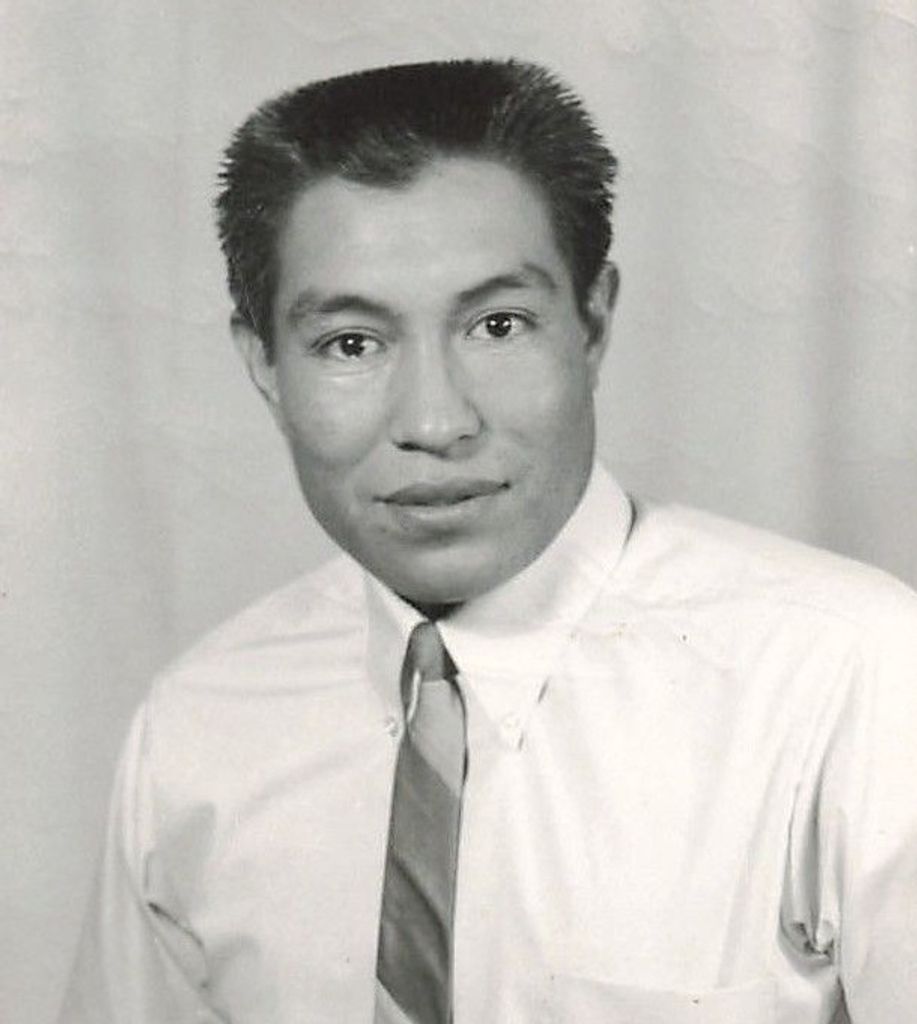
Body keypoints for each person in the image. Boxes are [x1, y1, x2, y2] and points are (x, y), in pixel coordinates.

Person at [59, 59, 917, 1024]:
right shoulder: (195, 730)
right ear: (262, 363)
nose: (435, 421)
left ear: (592, 323)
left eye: (497, 325)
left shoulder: (850, 677)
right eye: (351, 343)